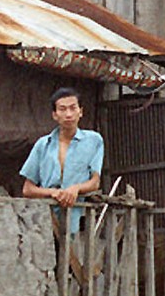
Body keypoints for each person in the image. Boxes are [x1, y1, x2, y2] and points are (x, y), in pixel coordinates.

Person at [19, 87, 104, 233]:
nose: (68, 114)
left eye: (73, 108)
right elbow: (28, 189)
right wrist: (53, 192)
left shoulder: (94, 140)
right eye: (62, 109)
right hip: (44, 219)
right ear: (54, 115)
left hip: (78, 217)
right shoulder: (43, 144)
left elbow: (95, 182)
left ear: (81, 112)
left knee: (74, 253)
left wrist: (75, 188)